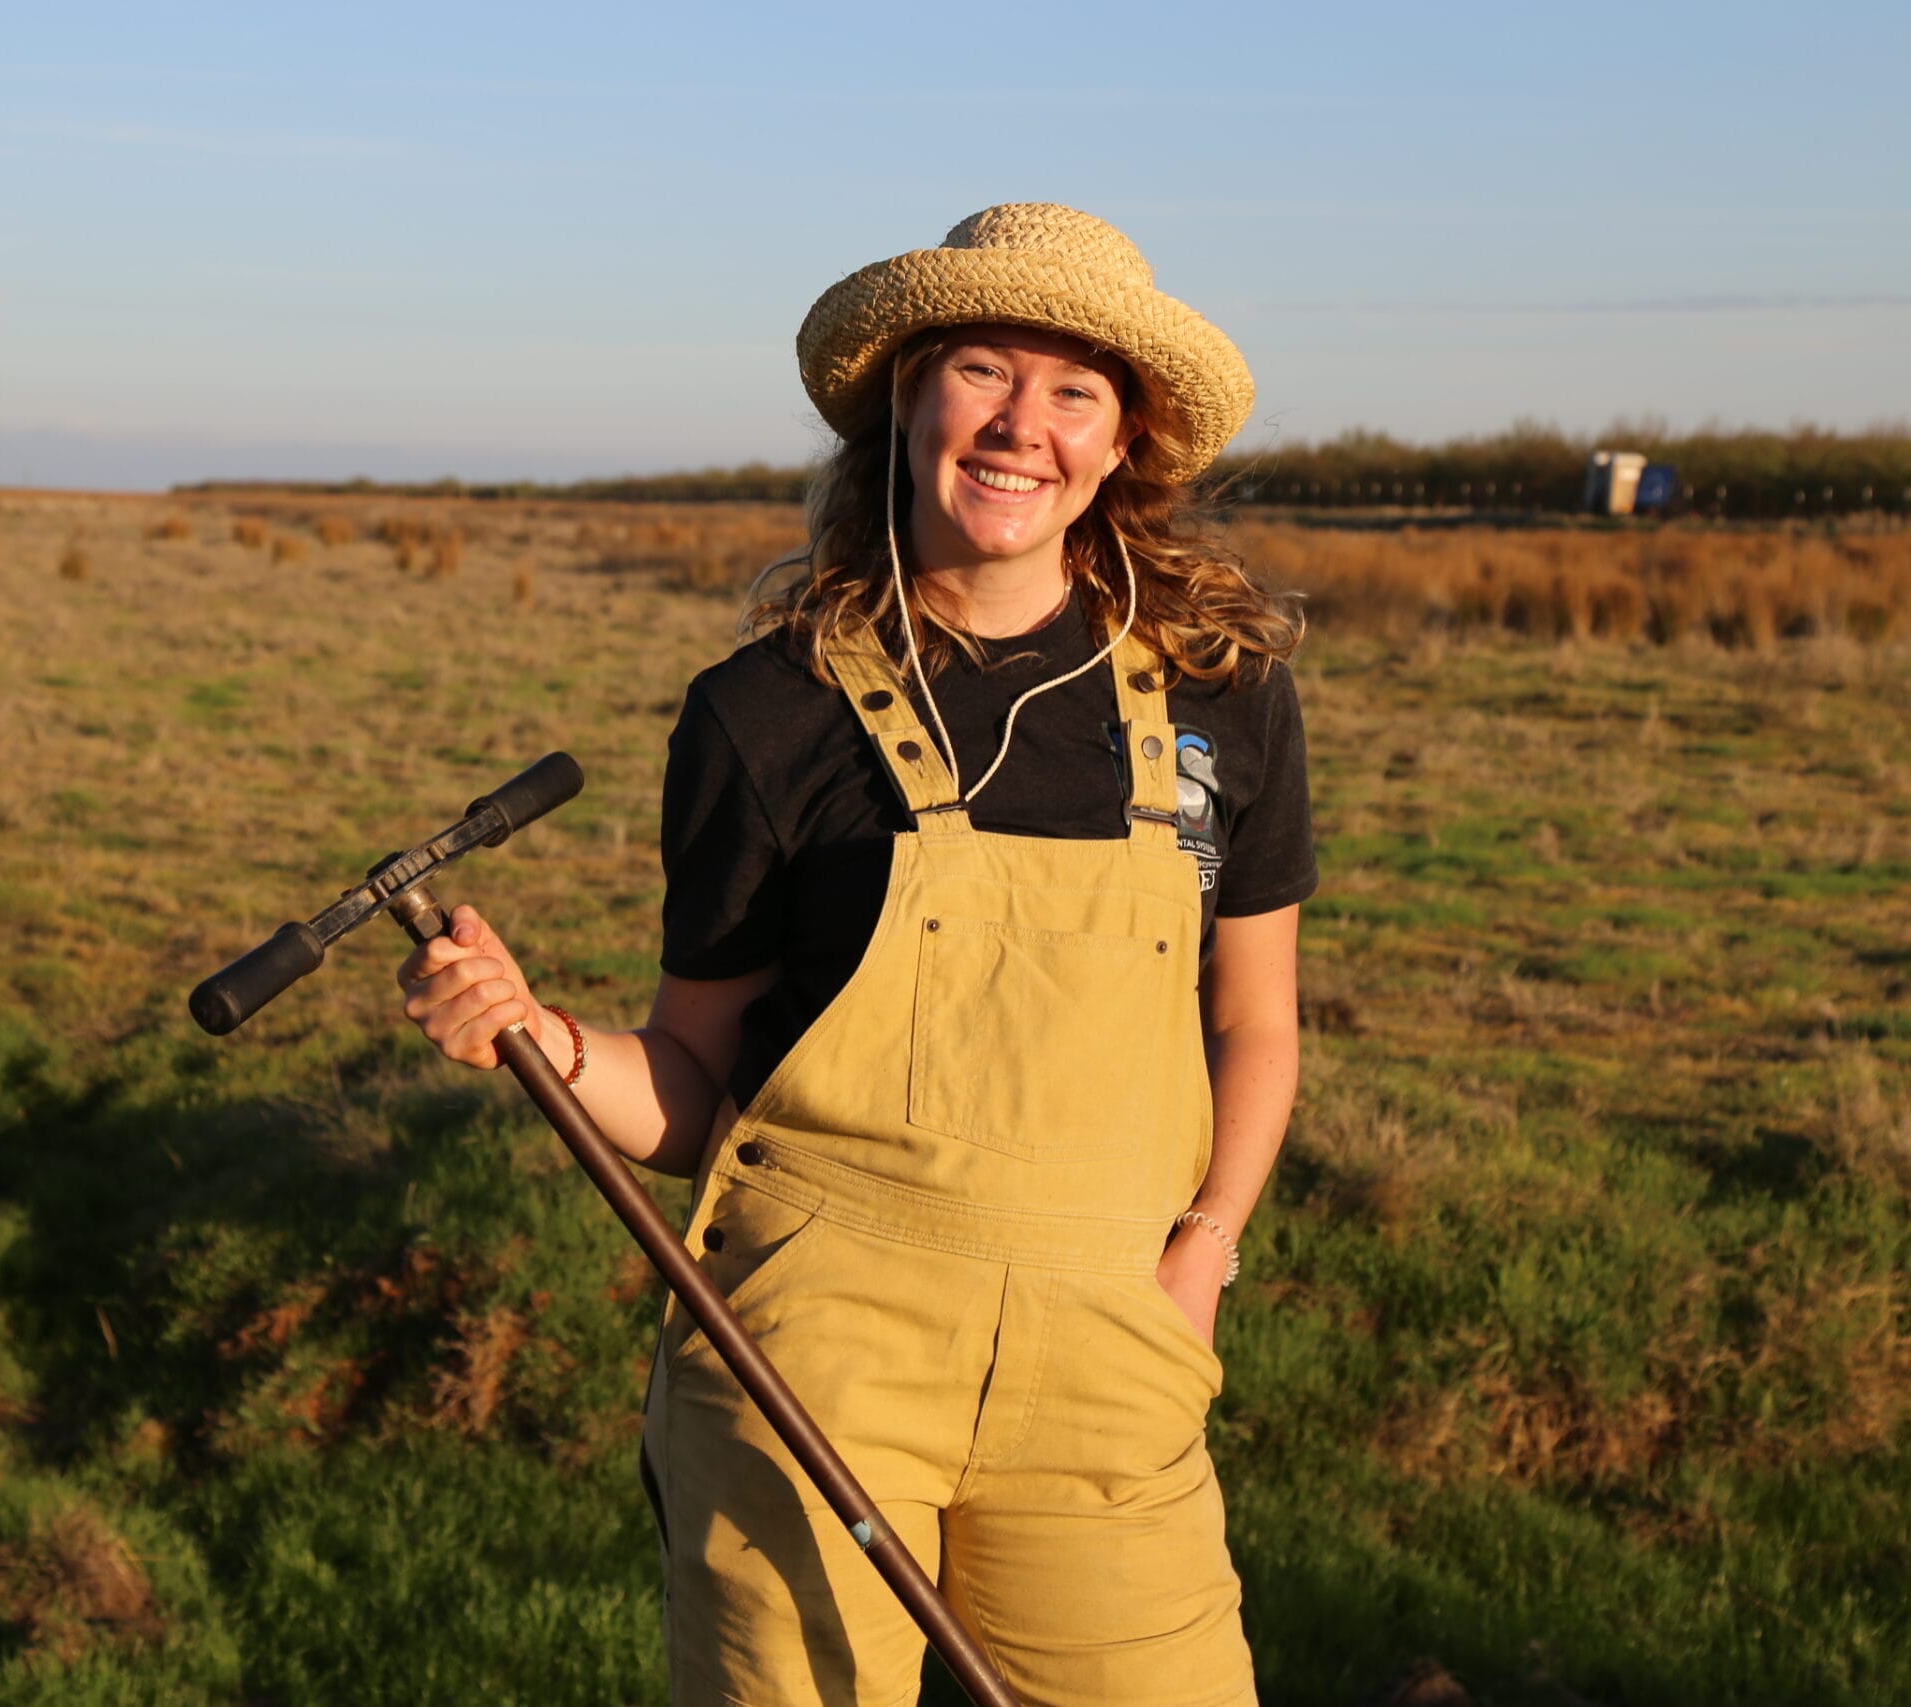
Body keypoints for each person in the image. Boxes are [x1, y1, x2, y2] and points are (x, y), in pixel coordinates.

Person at [398, 203, 1313, 1707]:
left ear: (1122, 440)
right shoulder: (764, 717)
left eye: (1074, 390)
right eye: (980, 371)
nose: (1023, 425)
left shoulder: (1228, 698)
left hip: (1115, 1353)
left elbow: (1258, 1022)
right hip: (809, 1362)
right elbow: (696, 1087)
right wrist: (539, 1037)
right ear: (904, 397)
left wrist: (1203, 1251)